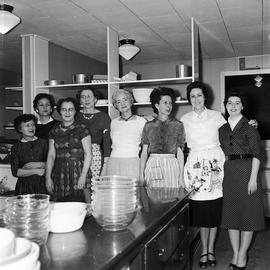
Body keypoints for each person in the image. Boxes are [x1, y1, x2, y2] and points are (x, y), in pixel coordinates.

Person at [181, 81, 226, 268]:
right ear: (189, 98)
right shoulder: (184, 119)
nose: (196, 99)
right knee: (200, 210)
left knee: (214, 208)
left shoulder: (217, 116)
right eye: (193, 96)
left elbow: (231, 135)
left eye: (199, 95)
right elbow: (179, 145)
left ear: (205, 97)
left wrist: (251, 123)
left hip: (215, 163)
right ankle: (203, 248)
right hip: (196, 166)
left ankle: (211, 250)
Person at [219, 90, 265, 270]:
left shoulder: (249, 127)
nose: (233, 106)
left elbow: (257, 154)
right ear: (226, 105)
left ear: (243, 106)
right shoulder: (221, 129)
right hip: (230, 173)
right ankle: (236, 252)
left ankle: (243, 253)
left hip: (247, 172)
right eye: (230, 102)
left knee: (248, 215)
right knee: (231, 215)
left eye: (237, 102)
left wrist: (253, 179)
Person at [46, 97, 92, 202]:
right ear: (59, 111)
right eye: (64, 109)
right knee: (61, 206)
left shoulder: (82, 129)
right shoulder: (54, 131)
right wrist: (48, 177)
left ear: (75, 111)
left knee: (82, 206)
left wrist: (83, 175)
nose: (67, 112)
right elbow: (51, 155)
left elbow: (88, 154)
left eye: (70, 109)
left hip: (78, 171)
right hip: (59, 172)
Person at [140, 87, 185, 188]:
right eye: (165, 102)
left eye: (170, 103)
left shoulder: (178, 125)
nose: (168, 106)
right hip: (153, 164)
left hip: (171, 165)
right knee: (153, 199)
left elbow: (180, 153)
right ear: (157, 105)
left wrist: (181, 176)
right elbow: (144, 152)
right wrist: (141, 175)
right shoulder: (148, 125)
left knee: (171, 198)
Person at [103, 89, 146, 181]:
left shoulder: (142, 122)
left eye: (125, 99)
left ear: (131, 100)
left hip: (133, 163)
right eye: (118, 102)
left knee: (132, 193)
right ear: (115, 106)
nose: (122, 103)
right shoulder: (113, 123)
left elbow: (146, 148)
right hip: (114, 163)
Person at [76, 88, 111, 178]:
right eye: (83, 97)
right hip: (76, 156)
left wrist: (105, 166)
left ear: (95, 99)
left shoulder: (103, 117)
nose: (86, 99)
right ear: (80, 100)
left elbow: (107, 144)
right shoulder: (75, 116)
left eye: (89, 96)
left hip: (95, 157)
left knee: (95, 187)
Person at [11, 114, 48, 195]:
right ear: (20, 129)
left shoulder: (44, 143)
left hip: (43, 185)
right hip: (24, 187)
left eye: (33, 125)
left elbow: (54, 162)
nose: (31, 128)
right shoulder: (16, 147)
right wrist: (37, 171)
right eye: (27, 125)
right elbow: (15, 172)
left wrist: (39, 164)